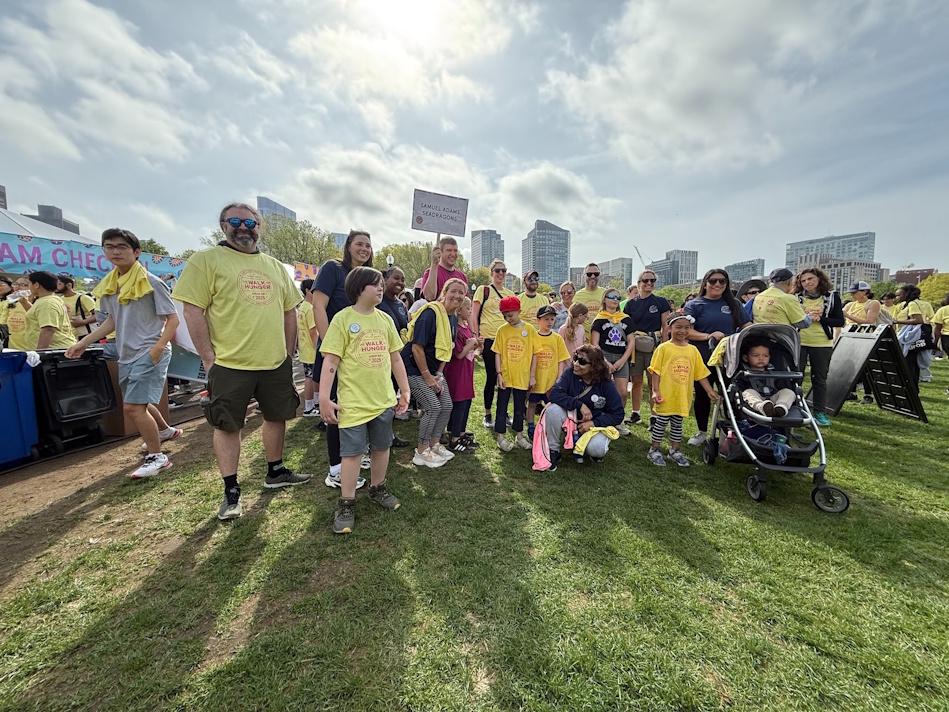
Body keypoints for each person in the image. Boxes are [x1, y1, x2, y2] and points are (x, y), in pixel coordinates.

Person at [173, 203, 310, 521]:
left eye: (251, 222)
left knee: (277, 416)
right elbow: (192, 311)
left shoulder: (274, 266)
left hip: (274, 362)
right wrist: (209, 358)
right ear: (223, 225)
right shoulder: (205, 260)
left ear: (259, 227)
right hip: (229, 363)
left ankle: (275, 471)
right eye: (235, 221)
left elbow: (289, 311)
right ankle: (231, 490)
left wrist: (288, 352)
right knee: (227, 424)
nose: (244, 227)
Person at [66, 227, 181, 478]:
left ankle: (157, 457)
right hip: (126, 351)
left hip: (149, 349)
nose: (115, 252)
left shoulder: (152, 282)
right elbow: (111, 321)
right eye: (109, 247)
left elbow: (173, 320)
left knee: (133, 407)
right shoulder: (109, 285)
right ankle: (164, 431)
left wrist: (158, 347)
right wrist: (84, 342)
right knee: (136, 402)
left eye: (122, 247)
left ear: (136, 252)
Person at [318, 266, 409, 534]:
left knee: (382, 447)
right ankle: (346, 503)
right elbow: (330, 361)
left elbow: (395, 358)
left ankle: (378, 487)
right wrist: (323, 397)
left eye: (381, 283)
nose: (381, 288)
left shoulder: (385, 320)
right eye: (375, 284)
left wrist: (404, 390)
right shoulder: (342, 319)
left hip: (383, 401)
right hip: (353, 404)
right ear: (358, 288)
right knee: (352, 454)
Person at [313, 230, 375, 488]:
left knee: (358, 404)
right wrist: (330, 346)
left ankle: (355, 454)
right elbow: (318, 306)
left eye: (368, 245)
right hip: (336, 352)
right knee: (337, 407)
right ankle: (336, 469)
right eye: (359, 243)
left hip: (360, 355)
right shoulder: (332, 269)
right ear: (348, 246)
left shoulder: (368, 276)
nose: (364, 249)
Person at [403, 278, 466, 467]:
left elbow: (446, 349)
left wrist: (438, 374)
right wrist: (427, 377)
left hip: (432, 369)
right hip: (413, 368)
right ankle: (421, 451)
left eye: (461, 293)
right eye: (453, 291)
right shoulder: (430, 314)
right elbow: (417, 348)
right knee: (433, 407)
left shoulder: (452, 317)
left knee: (446, 406)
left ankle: (434, 443)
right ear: (444, 293)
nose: (457, 296)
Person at [683, 268, 751, 444]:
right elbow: (687, 331)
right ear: (705, 283)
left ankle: (734, 431)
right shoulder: (695, 305)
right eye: (713, 281)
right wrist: (709, 336)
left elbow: (747, 326)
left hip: (729, 357)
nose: (718, 284)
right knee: (702, 394)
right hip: (703, 356)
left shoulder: (734, 304)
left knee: (732, 394)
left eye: (722, 281)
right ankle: (702, 432)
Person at [648, 314, 719, 467]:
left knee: (677, 424)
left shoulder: (693, 350)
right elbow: (656, 371)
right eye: (678, 327)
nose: (682, 331)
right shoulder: (663, 348)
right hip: (666, 394)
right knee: (661, 423)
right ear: (670, 328)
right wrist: (655, 391)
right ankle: (654, 449)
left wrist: (709, 391)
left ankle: (674, 450)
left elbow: (700, 374)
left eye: (687, 327)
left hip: (682, 396)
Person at [544, 344, 625, 470]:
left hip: (594, 425)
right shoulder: (569, 373)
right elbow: (554, 394)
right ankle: (553, 451)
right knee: (552, 410)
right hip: (571, 419)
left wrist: (594, 423)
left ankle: (593, 449)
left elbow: (618, 414)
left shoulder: (606, 384)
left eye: (582, 362)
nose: (576, 363)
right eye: (575, 358)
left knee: (597, 449)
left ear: (595, 366)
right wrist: (580, 405)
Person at [791, 267, 844, 425]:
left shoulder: (832, 297)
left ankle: (820, 413)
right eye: (803, 280)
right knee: (796, 377)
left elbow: (839, 321)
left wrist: (820, 319)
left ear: (819, 278)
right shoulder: (795, 298)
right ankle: (795, 409)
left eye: (810, 279)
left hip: (822, 342)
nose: (807, 282)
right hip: (799, 342)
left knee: (819, 379)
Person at [622, 270, 671, 426]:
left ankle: (654, 416)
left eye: (652, 280)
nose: (649, 283)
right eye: (645, 280)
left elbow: (666, 327)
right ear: (639, 283)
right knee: (636, 381)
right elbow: (626, 326)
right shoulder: (631, 303)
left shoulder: (661, 302)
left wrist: (664, 347)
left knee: (652, 383)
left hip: (654, 347)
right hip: (635, 347)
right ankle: (635, 413)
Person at [471, 258, 515, 429]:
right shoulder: (484, 290)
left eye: (503, 270)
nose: (501, 273)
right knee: (491, 377)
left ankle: (503, 412)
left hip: (506, 340)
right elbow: (474, 315)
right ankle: (488, 414)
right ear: (491, 273)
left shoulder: (510, 293)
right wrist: (477, 338)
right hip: (489, 339)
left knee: (506, 377)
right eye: (497, 270)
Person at [493, 295, 539, 452]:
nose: (508, 319)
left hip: (522, 376)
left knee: (520, 407)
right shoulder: (502, 330)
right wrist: (499, 374)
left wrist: (532, 376)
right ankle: (500, 436)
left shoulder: (530, 330)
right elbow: (497, 353)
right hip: (506, 376)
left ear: (519, 311)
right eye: (504, 316)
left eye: (510, 315)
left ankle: (519, 436)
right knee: (501, 406)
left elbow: (535, 354)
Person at [590, 288, 636, 436]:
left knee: (622, 392)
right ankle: (601, 419)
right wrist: (604, 361)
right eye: (611, 296)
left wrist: (623, 360)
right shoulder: (599, 319)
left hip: (621, 356)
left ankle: (618, 421)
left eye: (618, 297)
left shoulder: (625, 318)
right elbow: (595, 343)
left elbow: (631, 341)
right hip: (603, 356)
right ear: (604, 299)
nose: (615, 300)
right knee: (602, 391)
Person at [527, 305, 570, 439]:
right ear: (538, 320)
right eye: (546, 319)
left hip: (551, 380)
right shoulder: (533, 337)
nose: (550, 322)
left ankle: (548, 427)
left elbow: (561, 359)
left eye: (552, 319)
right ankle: (530, 426)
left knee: (551, 406)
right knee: (532, 404)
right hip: (536, 379)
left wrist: (559, 378)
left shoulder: (557, 338)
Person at [444, 296, 481, 453]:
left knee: (466, 401)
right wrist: (471, 343)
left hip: (466, 372)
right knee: (459, 402)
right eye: (468, 308)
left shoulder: (466, 327)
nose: (471, 311)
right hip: (457, 373)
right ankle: (454, 439)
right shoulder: (456, 330)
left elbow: (469, 351)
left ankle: (460, 431)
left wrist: (476, 346)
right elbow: (459, 354)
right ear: (459, 310)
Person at [843, 281, 883, 405]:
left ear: (865, 291)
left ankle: (868, 394)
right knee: (851, 367)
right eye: (851, 293)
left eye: (855, 292)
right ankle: (852, 392)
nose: (852, 295)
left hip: (866, 338)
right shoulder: (850, 305)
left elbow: (870, 321)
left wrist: (848, 316)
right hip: (850, 337)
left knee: (866, 368)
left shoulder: (873, 303)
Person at [892, 283, 934, 390]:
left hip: (910, 338)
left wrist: (897, 321)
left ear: (906, 294)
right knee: (913, 364)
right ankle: (913, 388)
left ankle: (910, 388)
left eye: (899, 295)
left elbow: (918, 320)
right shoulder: (909, 304)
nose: (897, 297)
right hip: (910, 337)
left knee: (909, 364)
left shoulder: (912, 304)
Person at [739, 341, 796, 417]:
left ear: (769, 357)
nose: (761, 358)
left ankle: (781, 407)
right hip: (756, 399)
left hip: (774, 399)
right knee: (748, 392)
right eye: (756, 355)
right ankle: (762, 408)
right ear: (745, 358)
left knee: (788, 392)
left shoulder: (774, 372)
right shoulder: (743, 373)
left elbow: (781, 386)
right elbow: (740, 388)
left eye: (765, 356)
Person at [23, 271, 78, 350]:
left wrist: (40, 353)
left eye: (29, 284)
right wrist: (24, 302)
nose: (29, 287)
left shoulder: (47, 303)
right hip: (57, 349)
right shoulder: (49, 300)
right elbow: (36, 315)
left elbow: (48, 329)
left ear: (36, 285)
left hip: (55, 351)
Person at [296, 279, 320, 417]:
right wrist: (318, 349)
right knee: (311, 378)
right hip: (311, 351)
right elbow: (313, 332)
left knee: (311, 377)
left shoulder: (302, 308)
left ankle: (314, 403)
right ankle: (309, 407)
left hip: (305, 350)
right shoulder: (310, 309)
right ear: (307, 291)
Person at [421, 236, 468, 301]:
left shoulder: (462, 276)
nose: (453, 254)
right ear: (440, 252)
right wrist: (434, 264)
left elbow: (466, 302)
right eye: (449, 250)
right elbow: (429, 297)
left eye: (455, 251)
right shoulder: (431, 272)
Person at [575, 263, 606, 339]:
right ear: (583, 276)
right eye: (589, 274)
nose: (593, 276)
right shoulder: (576, 296)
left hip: (602, 338)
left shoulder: (606, 293)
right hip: (582, 339)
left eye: (596, 274)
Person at [3, 276, 32, 350]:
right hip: (12, 348)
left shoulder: (37, 303)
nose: (17, 287)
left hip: (31, 348)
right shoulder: (9, 303)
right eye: (15, 284)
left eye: (23, 285)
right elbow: (3, 324)